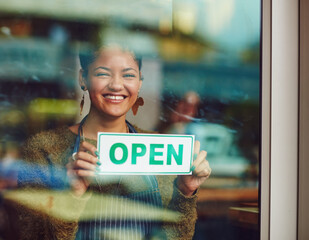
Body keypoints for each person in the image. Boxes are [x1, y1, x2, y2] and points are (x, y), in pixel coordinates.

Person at [6, 44, 211, 240]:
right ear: (83, 78)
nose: (116, 85)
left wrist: (185, 190)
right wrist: (72, 196)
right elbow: (31, 236)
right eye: (103, 73)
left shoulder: (160, 150)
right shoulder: (44, 148)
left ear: (140, 82)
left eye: (128, 75)